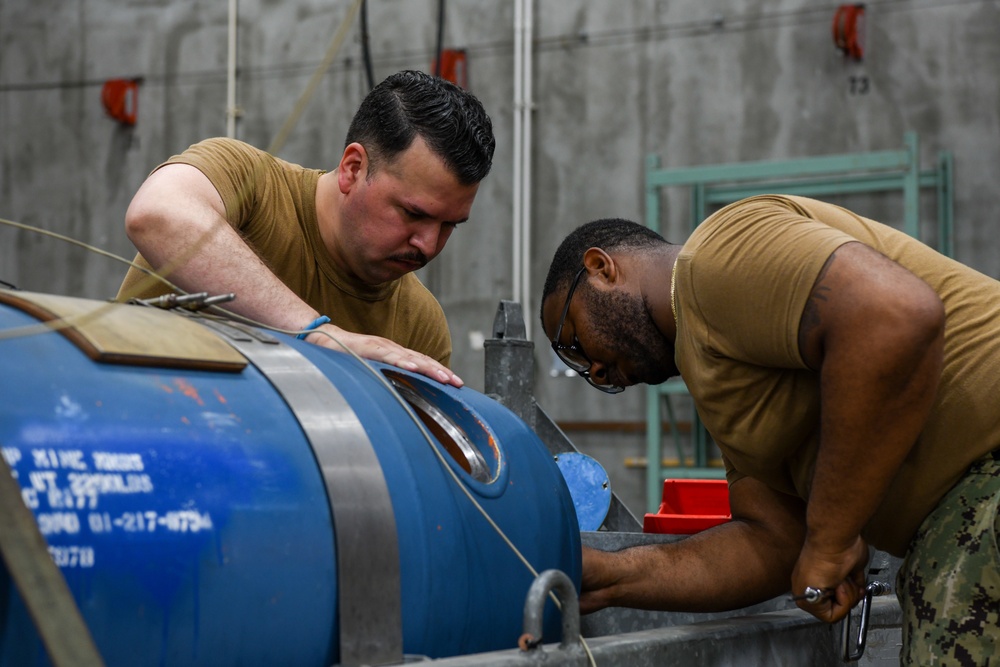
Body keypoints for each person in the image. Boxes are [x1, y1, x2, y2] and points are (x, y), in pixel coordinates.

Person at [539, 194, 1000, 664]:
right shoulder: (718, 375)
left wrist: (830, 539)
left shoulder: (715, 256)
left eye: (574, 341)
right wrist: (610, 575)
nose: (593, 373)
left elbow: (897, 316)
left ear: (601, 268)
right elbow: (775, 541)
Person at [117, 70, 495, 387]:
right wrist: (317, 334)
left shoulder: (420, 325)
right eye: (413, 213)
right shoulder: (248, 181)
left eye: (450, 226)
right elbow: (157, 214)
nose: (428, 246)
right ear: (353, 168)